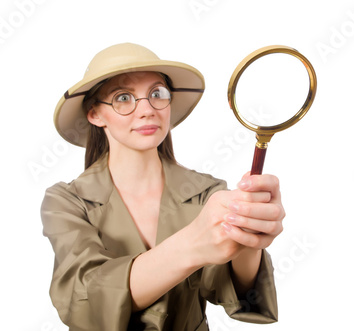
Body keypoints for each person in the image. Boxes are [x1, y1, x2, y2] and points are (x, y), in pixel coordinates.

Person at [41, 42, 284, 331]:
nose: (147, 110)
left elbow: (232, 289)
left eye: (157, 94)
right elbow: (86, 299)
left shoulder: (208, 192)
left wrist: (248, 235)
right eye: (123, 97)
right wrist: (193, 243)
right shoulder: (66, 201)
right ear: (95, 114)